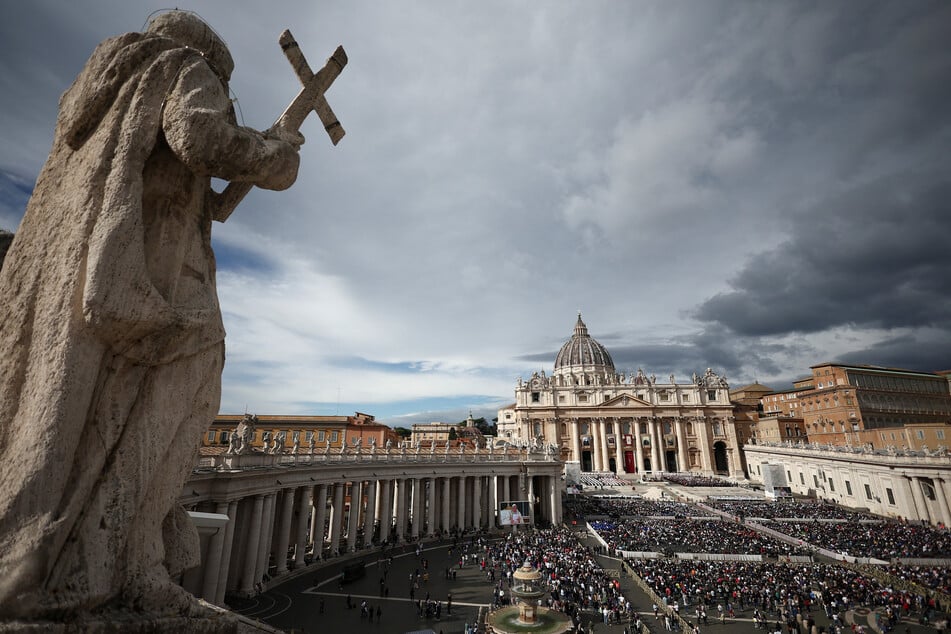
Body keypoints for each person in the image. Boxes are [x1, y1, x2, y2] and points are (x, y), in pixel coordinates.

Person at [0, 10, 302, 619]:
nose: (224, 98)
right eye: (226, 89)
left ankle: (88, 555)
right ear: (214, 63)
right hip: (162, 270)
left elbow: (206, 198)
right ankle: (119, 557)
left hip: (96, 264)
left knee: (93, 407)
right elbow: (199, 136)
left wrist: (258, 154)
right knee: (185, 390)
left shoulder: (102, 89)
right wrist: (279, 157)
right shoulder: (182, 66)